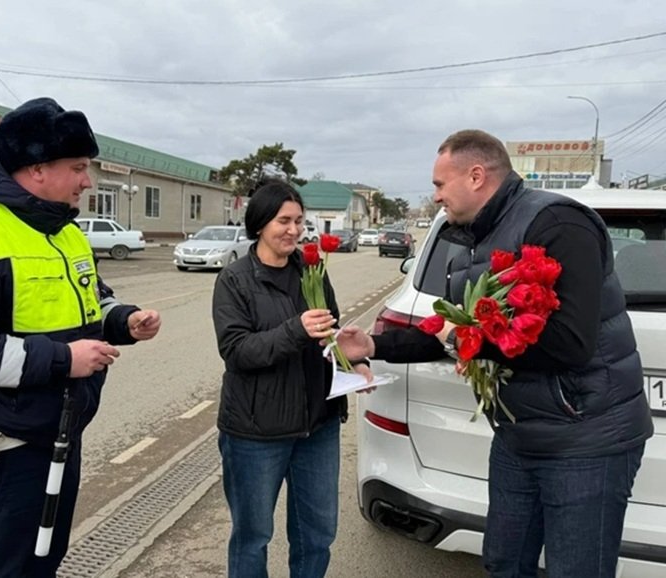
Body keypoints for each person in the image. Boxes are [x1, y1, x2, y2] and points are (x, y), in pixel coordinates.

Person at [337, 129, 653, 578]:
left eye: (439, 184)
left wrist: (459, 339)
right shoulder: (472, 241)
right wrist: (373, 345)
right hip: (517, 435)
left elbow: (569, 343)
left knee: (576, 570)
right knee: (504, 562)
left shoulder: (558, 224)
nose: (435, 195)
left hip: (586, 441)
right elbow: (450, 329)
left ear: (476, 176)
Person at [0, 97, 162, 578]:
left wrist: (124, 320)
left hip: (59, 436)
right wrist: (64, 359)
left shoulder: (64, 232)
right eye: (79, 168)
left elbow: (92, 300)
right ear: (37, 169)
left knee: (43, 561)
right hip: (3, 448)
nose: (88, 181)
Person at [212, 179, 372, 578]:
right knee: (252, 537)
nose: (294, 230)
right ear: (260, 223)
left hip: (317, 427)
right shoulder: (235, 279)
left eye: (299, 221)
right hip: (256, 433)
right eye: (283, 221)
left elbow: (330, 335)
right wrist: (295, 330)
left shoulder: (312, 271)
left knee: (317, 534)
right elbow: (237, 351)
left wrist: (352, 364)